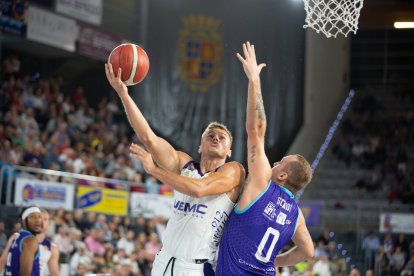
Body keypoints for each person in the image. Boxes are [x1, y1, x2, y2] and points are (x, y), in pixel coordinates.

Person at [105, 63, 245, 275]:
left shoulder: (234, 171)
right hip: (164, 261)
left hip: (196, 267)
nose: (215, 137)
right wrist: (124, 94)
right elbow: (149, 139)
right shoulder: (183, 164)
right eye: (210, 135)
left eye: (222, 137)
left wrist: (155, 171)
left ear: (229, 151)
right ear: (200, 146)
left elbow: (199, 189)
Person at [215, 42, 314, 275]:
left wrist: (254, 80)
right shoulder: (296, 215)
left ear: (282, 175)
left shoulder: (262, 184)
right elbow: (307, 252)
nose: (275, 162)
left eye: (280, 162)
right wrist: (274, 262)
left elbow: (256, 130)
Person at [0, 208, 60, 276]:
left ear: (48, 223)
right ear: (24, 221)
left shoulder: (52, 247)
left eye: (44, 219)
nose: (39, 221)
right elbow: (3, 261)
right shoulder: (23, 239)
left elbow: (55, 274)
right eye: (33, 218)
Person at [3, 206, 43, 276]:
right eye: (32, 217)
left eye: (39, 217)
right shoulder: (30, 240)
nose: (37, 221)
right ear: (24, 221)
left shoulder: (16, 237)